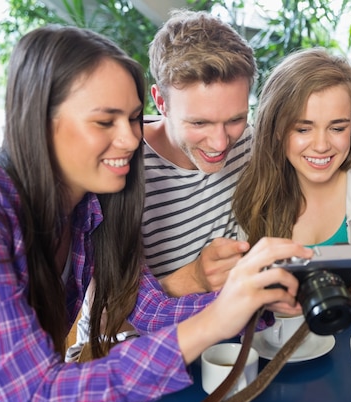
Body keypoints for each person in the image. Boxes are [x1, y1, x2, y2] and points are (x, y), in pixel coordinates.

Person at [0, 24, 313, 402]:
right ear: (40, 121)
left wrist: (256, 302)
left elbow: (144, 306)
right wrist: (214, 318)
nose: (129, 139)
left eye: (133, 118)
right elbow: (34, 396)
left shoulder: (91, 202)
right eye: (105, 122)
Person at [66, 10, 287, 362]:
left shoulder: (248, 142)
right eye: (199, 122)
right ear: (160, 101)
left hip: (224, 345)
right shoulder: (118, 167)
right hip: (124, 353)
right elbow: (106, 313)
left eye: (235, 118)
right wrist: (195, 278)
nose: (220, 143)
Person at [232, 48, 351, 313]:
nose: (322, 145)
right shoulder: (257, 188)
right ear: (276, 129)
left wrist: (324, 294)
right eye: (303, 129)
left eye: (337, 128)